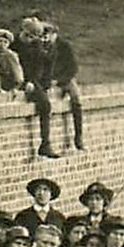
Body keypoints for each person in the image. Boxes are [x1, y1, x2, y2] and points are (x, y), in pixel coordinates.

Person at [31, 22, 85, 151]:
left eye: (49, 35)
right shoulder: (40, 46)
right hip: (48, 78)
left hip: (65, 77)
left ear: (55, 35)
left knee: (76, 99)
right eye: (44, 35)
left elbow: (73, 68)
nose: (46, 38)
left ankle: (79, 135)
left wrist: (59, 81)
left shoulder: (64, 46)